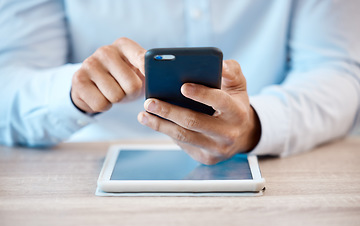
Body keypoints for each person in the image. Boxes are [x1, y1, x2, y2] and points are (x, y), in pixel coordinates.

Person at [0, 0, 359, 165]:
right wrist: (74, 92)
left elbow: (335, 71)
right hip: (85, 163)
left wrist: (254, 124)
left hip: (266, 163)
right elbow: (9, 84)